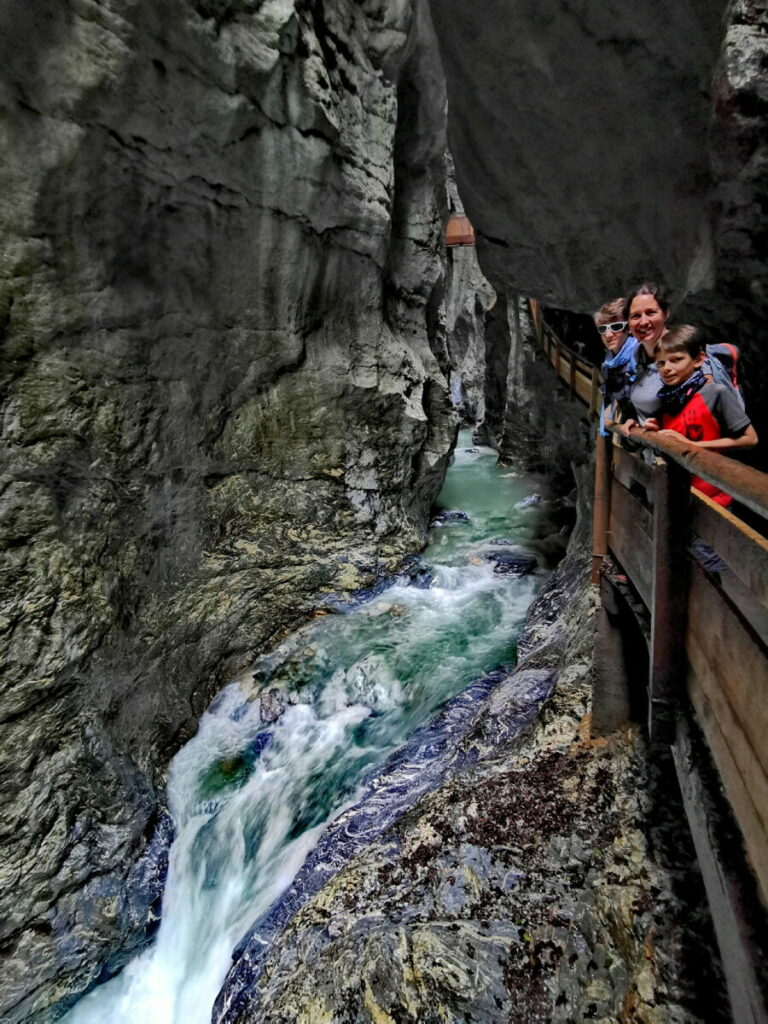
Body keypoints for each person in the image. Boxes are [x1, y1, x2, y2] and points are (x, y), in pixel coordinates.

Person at [645, 325, 758, 506]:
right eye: (661, 363)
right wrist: (655, 430)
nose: (667, 368)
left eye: (676, 360)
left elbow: (750, 439)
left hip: (712, 500)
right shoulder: (666, 398)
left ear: (698, 360)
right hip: (674, 498)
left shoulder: (715, 393)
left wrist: (693, 446)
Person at [618, 282, 670, 433]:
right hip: (650, 452)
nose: (643, 322)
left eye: (651, 313)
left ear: (666, 314)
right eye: (635, 316)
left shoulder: (682, 355)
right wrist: (633, 418)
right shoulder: (636, 355)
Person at [594, 298, 638, 433]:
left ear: (628, 328)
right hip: (627, 424)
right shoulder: (609, 362)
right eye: (603, 329)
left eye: (616, 327)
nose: (608, 335)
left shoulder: (639, 355)